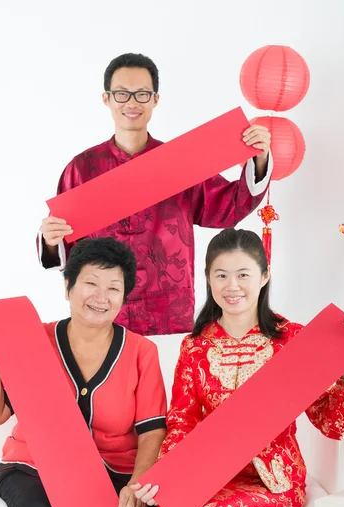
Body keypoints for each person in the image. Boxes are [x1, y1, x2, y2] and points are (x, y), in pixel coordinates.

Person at [131, 228, 344, 507]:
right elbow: (182, 421)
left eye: (243, 274)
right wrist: (171, 478)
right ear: (209, 280)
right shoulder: (195, 347)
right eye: (221, 275)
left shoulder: (293, 340)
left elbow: (332, 423)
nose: (233, 286)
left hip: (274, 483)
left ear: (264, 276)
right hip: (207, 477)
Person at [0, 237, 167, 507]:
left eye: (114, 287)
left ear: (124, 297)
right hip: (33, 468)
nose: (100, 296)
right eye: (90, 282)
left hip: (114, 470)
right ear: (68, 287)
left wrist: (137, 486)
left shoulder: (142, 351)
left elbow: (152, 432)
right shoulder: (32, 337)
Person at [38, 53, 273, 336]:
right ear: (107, 99)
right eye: (122, 94)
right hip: (101, 310)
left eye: (142, 94)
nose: (132, 103)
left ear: (155, 99)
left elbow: (226, 207)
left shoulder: (179, 162)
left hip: (169, 312)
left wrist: (259, 160)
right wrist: (51, 240)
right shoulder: (82, 168)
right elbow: (64, 241)